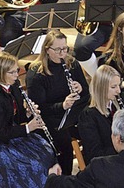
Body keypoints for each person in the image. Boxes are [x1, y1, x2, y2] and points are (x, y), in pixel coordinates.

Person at [0, 52, 56, 188]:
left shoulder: (13, 85)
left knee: (46, 151)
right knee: (34, 164)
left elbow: (14, 117)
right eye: (12, 72)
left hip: (9, 135)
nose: (17, 75)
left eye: (17, 70)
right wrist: (28, 128)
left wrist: (27, 113)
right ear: (1, 73)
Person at [26, 29, 90, 175]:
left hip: (72, 115)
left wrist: (80, 88)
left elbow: (86, 92)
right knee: (64, 141)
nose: (63, 53)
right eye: (58, 49)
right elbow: (39, 109)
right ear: (47, 50)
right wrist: (62, 105)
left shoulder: (71, 63)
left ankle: (90, 174)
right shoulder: (37, 74)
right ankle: (64, 179)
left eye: (65, 48)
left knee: (94, 129)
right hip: (49, 120)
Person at [78, 65, 123, 164]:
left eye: (119, 85)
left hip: (120, 161)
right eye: (113, 87)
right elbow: (94, 154)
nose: (118, 91)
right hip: (105, 166)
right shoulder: (88, 116)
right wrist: (122, 148)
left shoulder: (117, 106)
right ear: (101, 88)